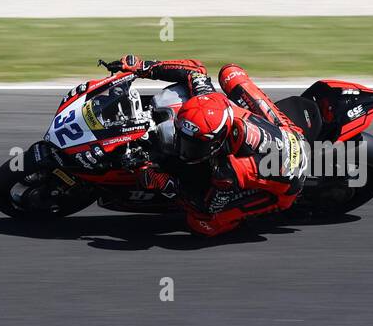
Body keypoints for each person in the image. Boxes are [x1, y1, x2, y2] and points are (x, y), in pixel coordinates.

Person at [107, 55, 308, 237]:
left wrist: (165, 182)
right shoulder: (209, 100)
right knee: (231, 72)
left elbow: (207, 205)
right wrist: (143, 67)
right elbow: (195, 70)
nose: (184, 147)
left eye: (192, 145)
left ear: (216, 143)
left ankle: (245, 217)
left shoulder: (230, 171)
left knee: (203, 223)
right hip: (286, 129)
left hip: (286, 185)